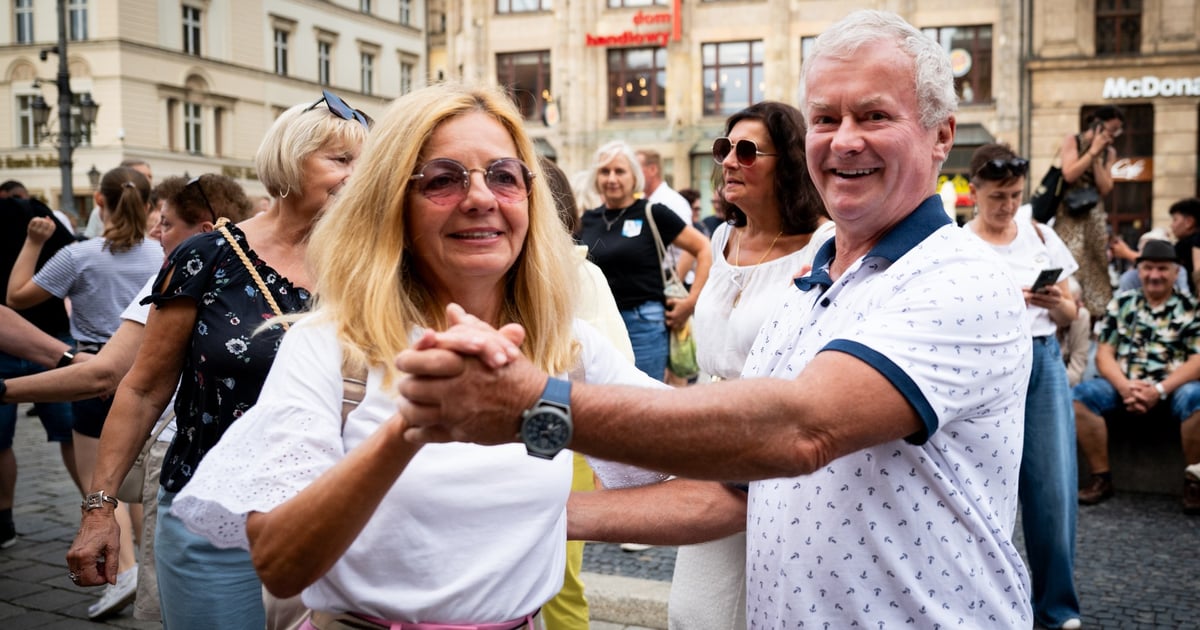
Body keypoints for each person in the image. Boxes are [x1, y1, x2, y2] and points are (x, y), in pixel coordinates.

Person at [394, 10, 1034, 629]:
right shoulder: (816, 283)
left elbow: (798, 431)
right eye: (825, 118)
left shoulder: (961, 280)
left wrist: (535, 405)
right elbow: (735, 486)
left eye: (874, 116)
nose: (844, 140)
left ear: (942, 135)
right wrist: (534, 500)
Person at [165, 83, 666, 628]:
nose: (480, 198)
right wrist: (410, 427)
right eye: (443, 179)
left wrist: (551, 514)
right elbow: (281, 565)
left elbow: (722, 484)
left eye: (503, 175)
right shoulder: (332, 345)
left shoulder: (566, 346)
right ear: (391, 206)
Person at [65, 90, 369, 629]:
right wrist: (100, 509)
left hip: (337, 523)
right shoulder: (207, 257)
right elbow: (142, 389)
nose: (358, 175)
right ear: (289, 160)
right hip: (212, 520)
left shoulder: (373, 268)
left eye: (367, 164)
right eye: (341, 159)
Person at [3, 174, 251, 621]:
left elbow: (106, 371)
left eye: (168, 224)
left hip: (172, 442)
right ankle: (133, 565)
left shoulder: (169, 267)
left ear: (206, 230)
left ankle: (129, 569)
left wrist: (7, 390)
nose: (158, 234)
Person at [665, 100, 832, 630]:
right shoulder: (721, 237)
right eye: (723, 149)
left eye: (746, 151)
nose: (729, 162)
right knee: (693, 610)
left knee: (755, 608)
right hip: (709, 438)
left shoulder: (825, 245)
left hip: (773, 447)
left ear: (788, 163)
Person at [7, 166, 162, 618]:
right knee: (140, 478)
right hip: (148, 371)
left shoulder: (80, 255)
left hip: (91, 369)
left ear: (99, 201)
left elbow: (16, 298)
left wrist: (34, 243)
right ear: (150, 204)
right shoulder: (161, 254)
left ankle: (126, 571)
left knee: (102, 482)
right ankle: (147, 567)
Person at [963, 143, 1082, 630]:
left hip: (1043, 357)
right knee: (981, 490)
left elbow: (1072, 313)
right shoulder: (959, 244)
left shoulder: (1040, 234)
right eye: (998, 196)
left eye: (1014, 195)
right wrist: (1005, 298)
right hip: (987, 363)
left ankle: (1056, 611)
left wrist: (1054, 301)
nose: (1008, 205)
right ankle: (987, 608)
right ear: (973, 192)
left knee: (1053, 489)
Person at [1072, 239, 1200, 514]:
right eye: (1148, 268)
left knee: (1197, 398)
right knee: (1081, 396)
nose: (1155, 275)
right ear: (1138, 271)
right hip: (1124, 385)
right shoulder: (1123, 302)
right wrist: (1125, 386)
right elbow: (1104, 353)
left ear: (1176, 272)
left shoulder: (1190, 308)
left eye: (1162, 269)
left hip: (1174, 388)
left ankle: (1194, 481)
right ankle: (1101, 478)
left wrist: (1160, 390)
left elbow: (1198, 360)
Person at [578, 141, 712, 382]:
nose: (611, 178)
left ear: (634, 176)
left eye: (619, 171)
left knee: (642, 403)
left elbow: (704, 248)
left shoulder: (652, 212)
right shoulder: (587, 219)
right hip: (598, 324)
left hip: (642, 325)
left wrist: (691, 302)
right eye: (604, 171)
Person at [0, 195, 80, 549]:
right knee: (73, 434)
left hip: (41, 341)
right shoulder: (50, 223)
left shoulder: (37, 220)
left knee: (3, 441)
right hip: (53, 336)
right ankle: (99, 508)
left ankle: (4, 520)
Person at [1052, 105, 1123, 319]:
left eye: (1117, 131)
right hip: (1070, 213)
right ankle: (1069, 306)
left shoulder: (1109, 151)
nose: (1113, 135)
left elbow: (1105, 187)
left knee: (1095, 264)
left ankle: (1094, 315)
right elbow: (1069, 173)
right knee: (1069, 260)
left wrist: (1100, 156)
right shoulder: (1073, 140)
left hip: (1093, 214)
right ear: (1098, 125)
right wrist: (1092, 152)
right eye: (1111, 129)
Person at [1058, 277, 1092, 387]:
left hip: (1065, 382)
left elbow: (1078, 366)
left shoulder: (1081, 315)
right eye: (1076, 302)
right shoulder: (1040, 324)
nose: (1081, 305)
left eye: (1081, 300)